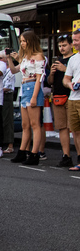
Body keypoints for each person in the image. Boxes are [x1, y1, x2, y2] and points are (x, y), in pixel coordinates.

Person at [6, 30, 46, 165]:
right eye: (21, 41)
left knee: (35, 124)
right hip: (24, 87)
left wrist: (35, 96)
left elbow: (39, 78)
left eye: (24, 41)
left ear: (30, 41)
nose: (22, 43)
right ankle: (23, 151)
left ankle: (35, 154)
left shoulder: (38, 56)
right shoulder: (25, 58)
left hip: (33, 86)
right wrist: (9, 58)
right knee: (25, 124)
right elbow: (14, 70)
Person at [46, 34, 73, 167]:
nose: (61, 48)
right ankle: (66, 155)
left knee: (74, 128)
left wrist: (65, 69)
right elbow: (50, 82)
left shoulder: (75, 59)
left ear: (71, 45)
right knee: (62, 128)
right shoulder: (57, 60)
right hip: (57, 97)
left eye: (64, 45)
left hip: (71, 97)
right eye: (60, 46)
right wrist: (51, 73)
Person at [63, 29, 80, 171]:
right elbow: (66, 79)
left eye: (77, 40)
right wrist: (70, 85)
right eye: (73, 40)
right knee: (76, 131)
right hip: (73, 98)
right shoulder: (73, 59)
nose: (74, 43)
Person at [0, 50, 15, 154]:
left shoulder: (10, 70)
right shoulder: (0, 70)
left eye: (1, 58)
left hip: (7, 96)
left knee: (8, 120)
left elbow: (9, 86)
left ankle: (10, 145)